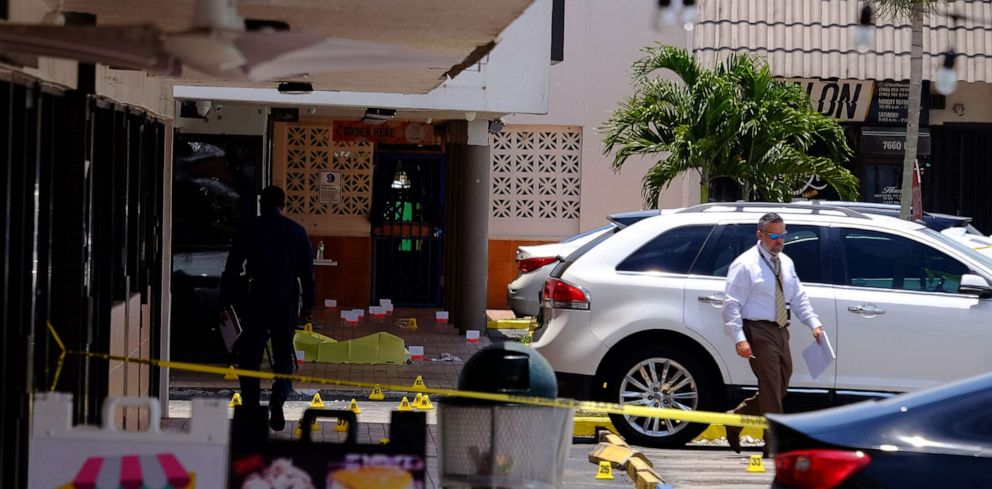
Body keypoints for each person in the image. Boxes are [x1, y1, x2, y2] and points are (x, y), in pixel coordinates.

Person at [721, 212, 823, 456]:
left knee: (779, 386)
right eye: (774, 236)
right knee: (771, 385)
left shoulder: (786, 262)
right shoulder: (745, 264)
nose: (779, 241)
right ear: (760, 234)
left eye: (783, 236)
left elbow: (798, 297)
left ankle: (736, 417)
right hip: (757, 329)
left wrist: (813, 323)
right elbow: (731, 304)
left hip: (780, 329)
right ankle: (773, 444)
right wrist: (740, 339)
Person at [220, 185, 315, 431]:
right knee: (284, 356)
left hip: (257, 300)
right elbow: (307, 274)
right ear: (284, 204)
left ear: (262, 204)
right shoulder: (297, 232)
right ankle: (277, 400)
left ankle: (251, 408)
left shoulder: (250, 229)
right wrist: (308, 307)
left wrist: (225, 299)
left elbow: (232, 267)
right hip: (286, 302)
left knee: (250, 357)